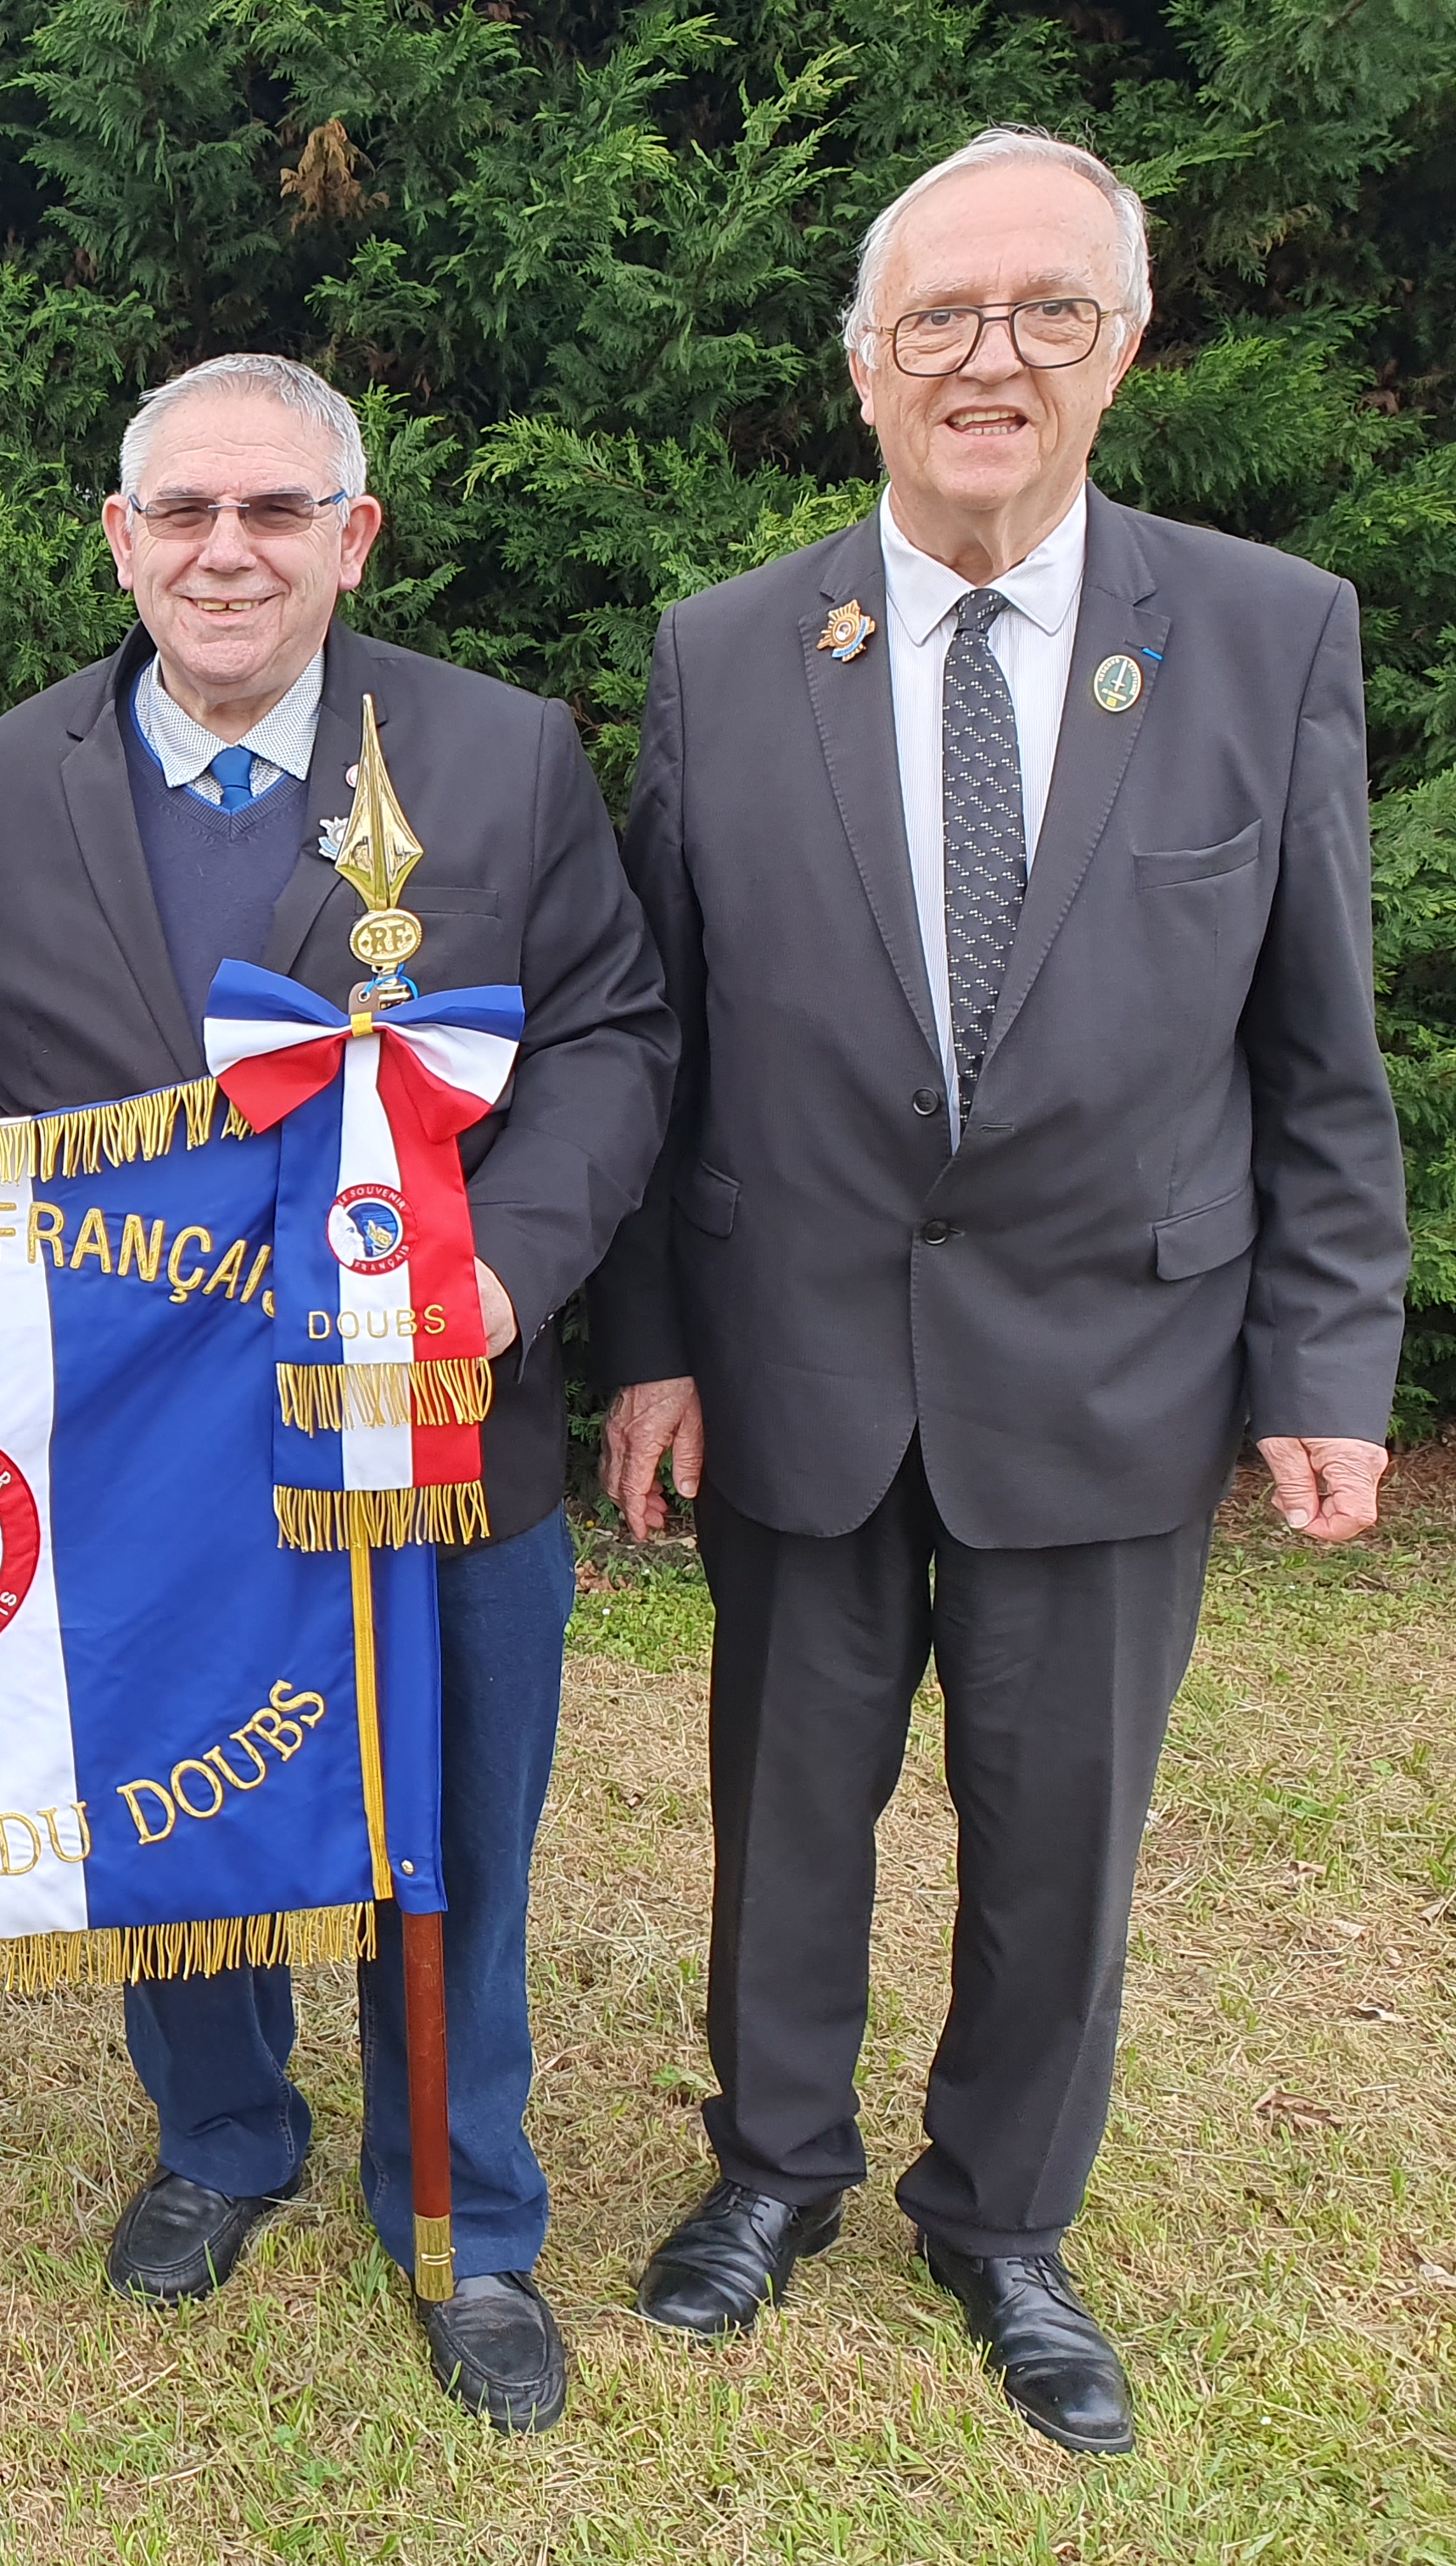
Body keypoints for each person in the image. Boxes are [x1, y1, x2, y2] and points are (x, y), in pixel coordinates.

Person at [588, 128, 1408, 2457]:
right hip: (800, 1355)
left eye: (1048, 310)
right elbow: (663, 1033)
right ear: (863, 363)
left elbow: (1319, 1052)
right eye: (938, 314)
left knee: (1061, 1834)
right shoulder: (729, 649)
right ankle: (773, 2170)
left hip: (1119, 1360)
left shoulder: (1264, 632)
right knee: (788, 1808)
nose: (990, 359)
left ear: (1122, 349)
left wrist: (1328, 1361)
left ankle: (1004, 2218)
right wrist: (650, 1346)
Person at [0, 353, 674, 2430]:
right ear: (120, 541)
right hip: (131, 1449)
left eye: (274, 511)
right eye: (183, 512)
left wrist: (498, 1276)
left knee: (457, 1830)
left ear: (354, 538)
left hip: (439, 1417)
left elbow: (613, 1035)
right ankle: (223, 2136)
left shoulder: (500, 754)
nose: (226, 552)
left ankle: (464, 2206)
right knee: (178, 1799)